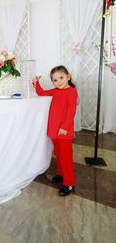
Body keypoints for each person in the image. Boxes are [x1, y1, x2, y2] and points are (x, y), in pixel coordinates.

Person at [32, 65, 78, 197]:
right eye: (55, 80)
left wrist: (64, 127)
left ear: (68, 77)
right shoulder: (54, 91)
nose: (59, 81)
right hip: (54, 129)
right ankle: (61, 173)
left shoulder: (72, 92)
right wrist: (36, 83)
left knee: (66, 156)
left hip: (64, 130)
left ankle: (69, 183)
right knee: (58, 153)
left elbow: (71, 112)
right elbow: (41, 93)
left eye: (61, 77)